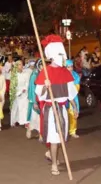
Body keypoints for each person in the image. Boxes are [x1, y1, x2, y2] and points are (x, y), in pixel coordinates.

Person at [35, 35, 78, 176]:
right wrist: (45, 87)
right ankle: (54, 164)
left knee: (61, 139)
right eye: (60, 54)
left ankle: (52, 155)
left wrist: (75, 107)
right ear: (53, 55)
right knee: (54, 139)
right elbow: (39, 94)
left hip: (62, 109)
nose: (63, 57)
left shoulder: (65, 72)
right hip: (51, 110)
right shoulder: (45, 72)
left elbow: (70, 92)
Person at [10, 60, 33, 128]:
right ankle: (14, 121)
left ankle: (26, 122)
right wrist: (17, 93)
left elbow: (27, 83)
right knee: (15, 108)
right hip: (16, 94)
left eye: (22, 64)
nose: (21, 66)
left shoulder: (26, 74)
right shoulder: (14, 75)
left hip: (24, 93)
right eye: (19, 64)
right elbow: (13, 86)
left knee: (25, 108)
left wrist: (24, 90)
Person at [26, 60, 42, 139]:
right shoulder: (34, 75)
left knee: (40, 118)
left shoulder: (42, 74)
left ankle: (40, 133)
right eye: (42, 65)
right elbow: (32, 89)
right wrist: (35, 102)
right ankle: (30, 129)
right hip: (35, 100)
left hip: (41, 100)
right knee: (34, 117)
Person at [65, 59, 81, 138]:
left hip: (73, 98)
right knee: (64, 116)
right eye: (68, 67)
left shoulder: (75, 75)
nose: (70, 68)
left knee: (73, 115)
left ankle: (73, 131)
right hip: (64, 99)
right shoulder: (62, 75)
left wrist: (71, 92)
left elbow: (77, 87)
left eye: (71, 66)